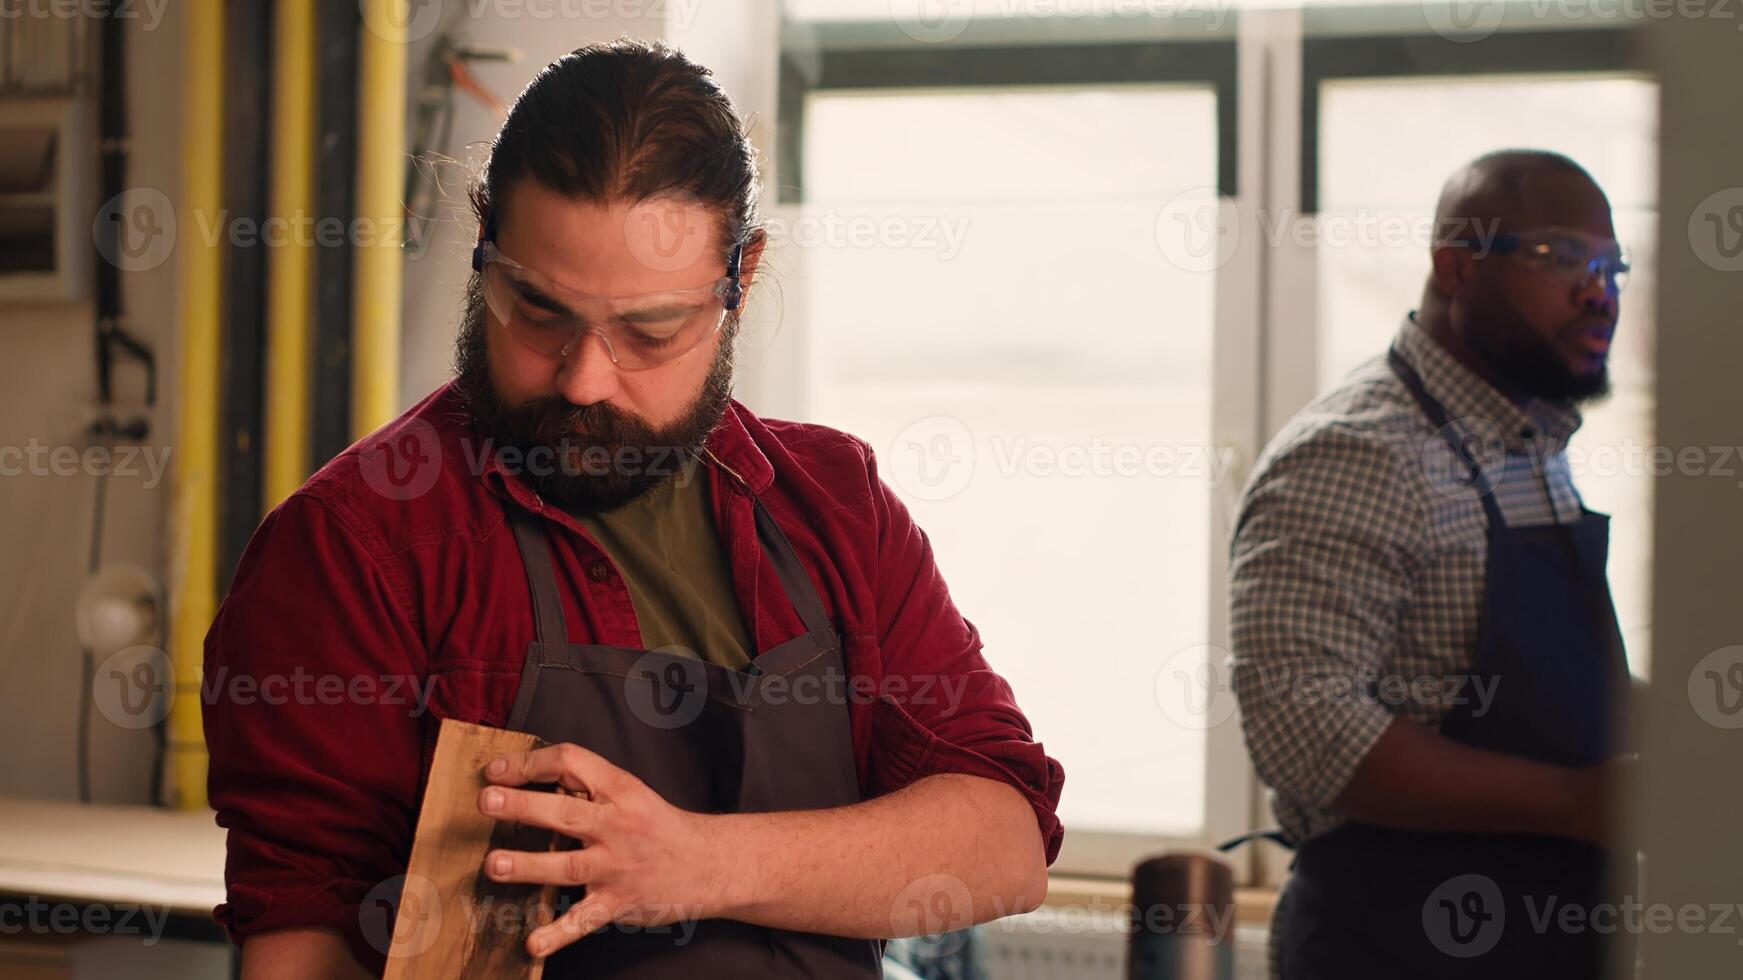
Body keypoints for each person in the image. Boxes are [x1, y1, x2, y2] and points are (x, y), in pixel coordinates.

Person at [203, 39, 1063, 979]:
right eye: (537, 312)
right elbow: (301, 932)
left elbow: (1002, 840)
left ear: (742, 279)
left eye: (649, 331)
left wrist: (695, 863)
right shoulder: (355, 546)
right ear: (485, 236)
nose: (582, 379)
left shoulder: (836, 508)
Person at [1228, 149, 1635, 979]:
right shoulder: (1357, 452)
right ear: (1455, 265)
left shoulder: (1527, 442)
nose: (1599, 293)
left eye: (1610, 266)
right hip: (1394, 943)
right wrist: (1584, 804)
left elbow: (1559, 687)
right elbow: (1309, 730)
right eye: (1560, 259)